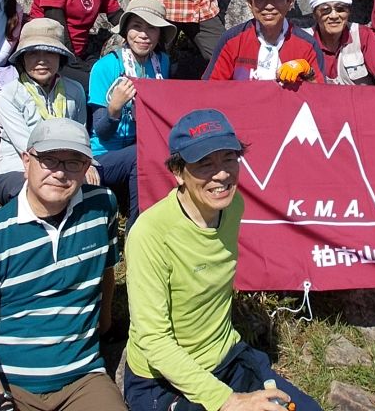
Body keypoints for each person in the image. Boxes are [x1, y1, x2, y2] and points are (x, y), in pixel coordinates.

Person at [124, 108, 323, 411]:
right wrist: (228, 401)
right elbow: (154, 341)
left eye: (229, 158)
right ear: (178, 172)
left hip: (226, 355)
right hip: (163, 381)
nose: (221, 174)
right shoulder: (151, 234)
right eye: (204, 163)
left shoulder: (232, 206)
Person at [0, 118, 125, 411]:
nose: (60, 172)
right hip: (8, 383)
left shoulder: (101, 208)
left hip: (82, 379)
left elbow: (106, 273)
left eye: (74, 162)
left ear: (87, 168)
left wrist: (105, 326)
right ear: (26, 160)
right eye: (49, 160)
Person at [88, 0, 174, 227]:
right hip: (103, 155)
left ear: (160, 35)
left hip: (142, 145)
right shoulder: (106, 66)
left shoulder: (162, 63)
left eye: (152, 28)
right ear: (125, 31)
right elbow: (101, 131)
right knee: (143, 156)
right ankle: (139, 230)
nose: (144, 35)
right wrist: (114, 108)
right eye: (136, 27)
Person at [0, 18, 88, 204]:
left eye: (50, 53)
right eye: (33, 53)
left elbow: (81, 135)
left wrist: (85, 164)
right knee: (34, 195)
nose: (41, 61)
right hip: (19, 168)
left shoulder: (75, 90)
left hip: (65, 167)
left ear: (60, 57)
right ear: (23, 58)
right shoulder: (7, 95)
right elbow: (26, 145)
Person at [203, 0, 325, 83]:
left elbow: (320, 95)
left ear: (290, 2)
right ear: (250, 3)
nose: (269, 6)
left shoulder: (307, 45)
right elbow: (212, 88)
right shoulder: (231, 41)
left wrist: (308, 72)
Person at [303, 0, 375, 86]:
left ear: (349, 12)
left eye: (340, 9)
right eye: (325, 10)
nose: (334, 16)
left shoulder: (362, 35)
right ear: (314, 14)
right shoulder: (304, 40)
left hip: (359, 102)